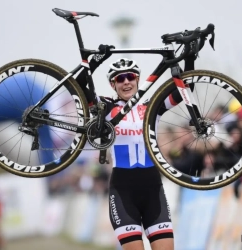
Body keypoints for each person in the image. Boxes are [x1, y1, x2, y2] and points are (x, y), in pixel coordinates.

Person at [76, 45, 197, 250]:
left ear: (137, 80)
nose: (126, 82)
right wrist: (95, 59)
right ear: (112, 84)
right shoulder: (105, 108)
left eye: (130, 77)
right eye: (119, 79)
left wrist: (190, 58)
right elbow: (78, 85)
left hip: (153, 188)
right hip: (123, 192)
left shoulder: (152, 107)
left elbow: (185, 90)